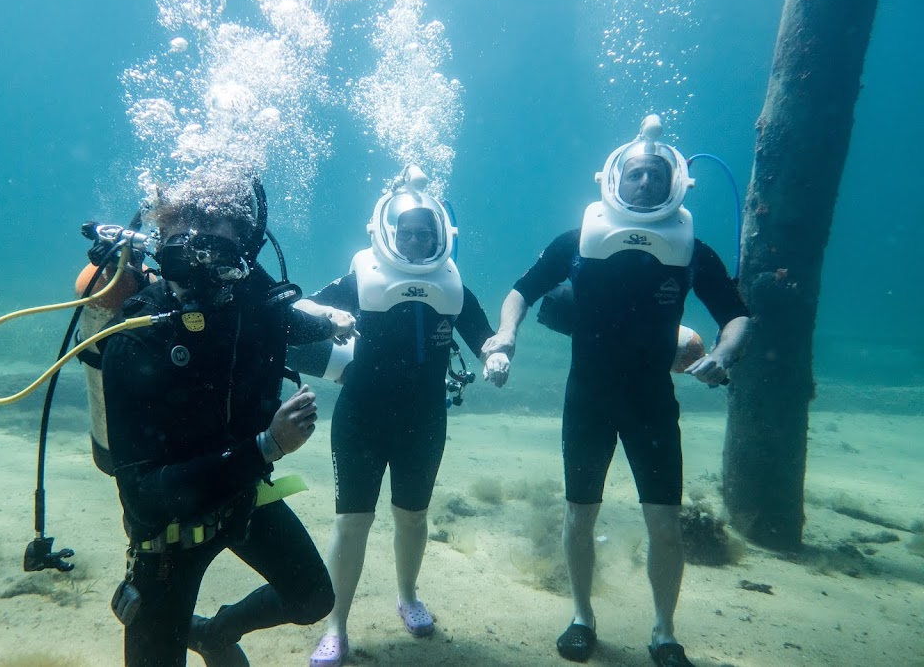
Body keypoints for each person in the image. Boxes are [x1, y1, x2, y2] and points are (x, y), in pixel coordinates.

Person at [481, 116, 751, 667]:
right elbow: (520, 291)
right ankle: (582, 618)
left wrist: (722, 357)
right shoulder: (578, 240)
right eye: (636, 174)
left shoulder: (692, 249)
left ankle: (664, 633)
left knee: (664, 522)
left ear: (674, 182)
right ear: (613, 179)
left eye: (655, 174)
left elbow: (736, 316)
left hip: (653, 401)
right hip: (589, 398)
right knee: (580, 515)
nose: (646, 183)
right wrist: (505, 337)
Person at [100, 172, 356, 667]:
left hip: (240, 499)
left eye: (228, 226)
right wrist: (268, 446)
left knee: (312, 598)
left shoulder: (246, 287)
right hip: (167, 535)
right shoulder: (136, 335)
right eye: (197, 221)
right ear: (168, 231)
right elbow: (144, 494)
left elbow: (282, 321)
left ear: (248, 237)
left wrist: (329, 321)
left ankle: (214, 633)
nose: (210, 243)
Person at [299, 166, 503, 667]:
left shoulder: (453, 286)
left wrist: (496, 353)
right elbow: (299, 309)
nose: (414, 241)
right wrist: (330, 317)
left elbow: (484, 337)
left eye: (424, 233)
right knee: (353, 521)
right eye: (406, 233)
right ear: (390, 233)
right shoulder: (362, 276)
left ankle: (408, 597)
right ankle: (336, 625)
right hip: (362, 414)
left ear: (439, 235)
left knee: (412, 516)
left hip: (424, 419)